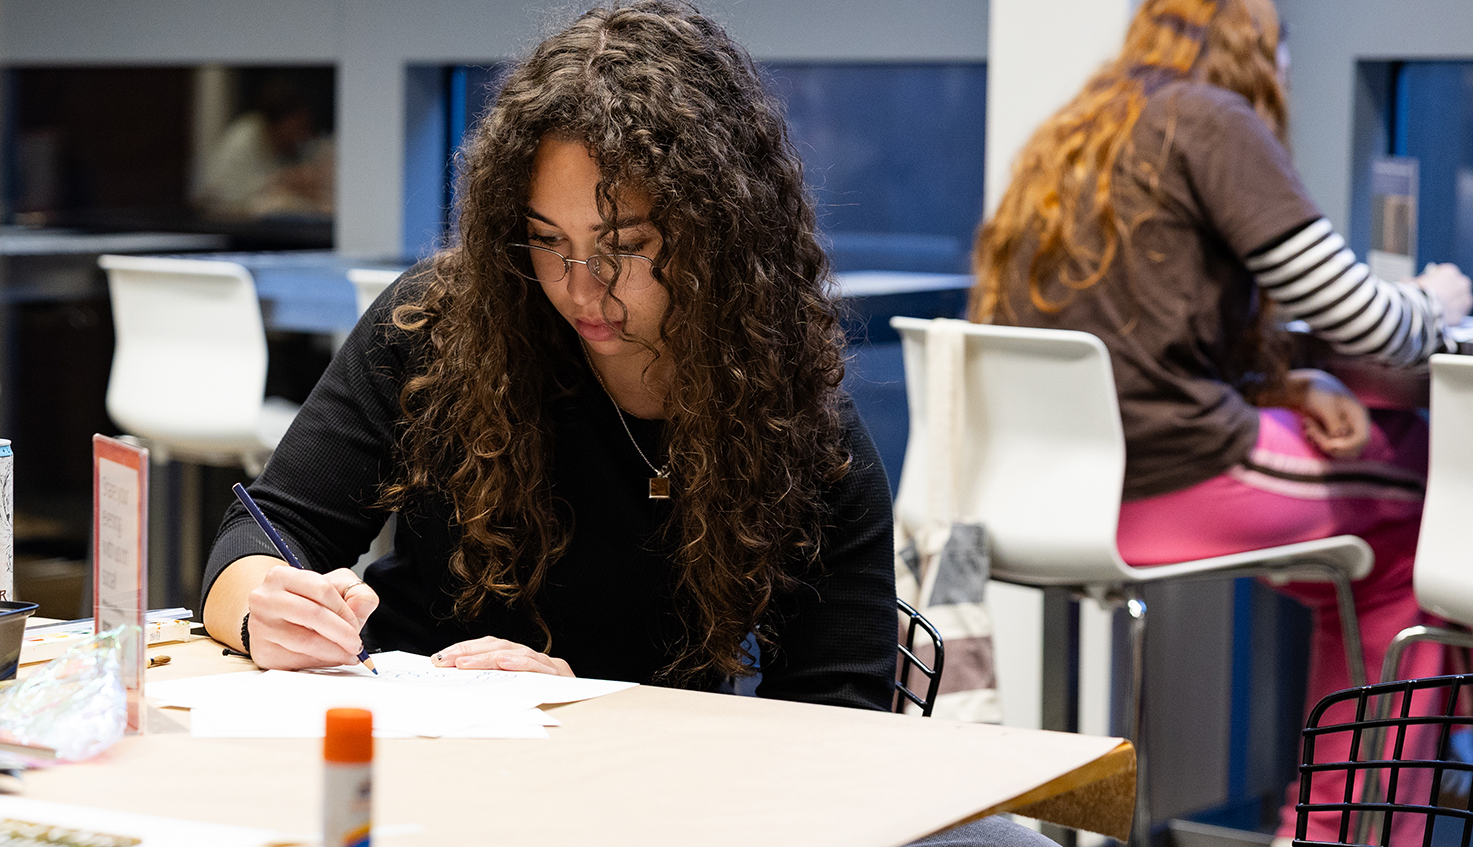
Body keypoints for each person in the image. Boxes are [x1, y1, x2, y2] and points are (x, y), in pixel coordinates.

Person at [201, 3, 1052, 845]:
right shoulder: (442, 326)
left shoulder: (797, 427)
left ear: (719, 228)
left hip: (644, 800)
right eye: (546, 241)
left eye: (626, 244)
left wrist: (589, 709)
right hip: (410, 775)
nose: (579, 286)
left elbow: (837, 736)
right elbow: (261, 533)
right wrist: (261, 608)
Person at [970, 0, 1472, 840]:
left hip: (1057, 491)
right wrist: (1436, 299)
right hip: (1174, 479)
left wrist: (1287, 382)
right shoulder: (1212, 119)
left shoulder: (1084, 128)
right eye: (1279, 55)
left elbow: (1139, 332)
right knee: (1429, 521)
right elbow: (1365, 320)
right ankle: (1335, 830)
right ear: (1253, 49)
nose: (1284, 80)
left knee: (1390, 532)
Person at [196, 75, 334, 220]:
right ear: (284, 122)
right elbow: (229, 200)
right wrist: (285, 180)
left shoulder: (278, 143)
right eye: (299, 126)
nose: (303, 135)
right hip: (224, 224)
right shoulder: (243, 140)